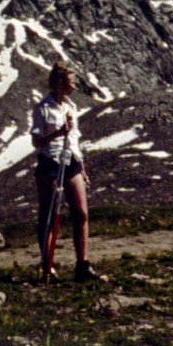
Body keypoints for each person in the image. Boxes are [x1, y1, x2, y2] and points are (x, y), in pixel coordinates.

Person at [31, 61, 106, 283]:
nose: (74, 86)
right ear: (60, 83)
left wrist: (81, 167)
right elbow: (37, 141)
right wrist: (56, 134)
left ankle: (82, 264)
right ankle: (48, 264)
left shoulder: (71, 107)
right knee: (49, 214)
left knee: (81, 212)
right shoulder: (43, 108)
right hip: (50, 162)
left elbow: (74, 140)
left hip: (71, 161)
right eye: (71, 82)